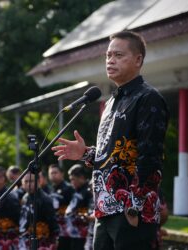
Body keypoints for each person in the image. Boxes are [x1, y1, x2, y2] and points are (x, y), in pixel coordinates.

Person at [52, 31, 169, 250]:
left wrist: (133, 207)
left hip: (130, 211)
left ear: (138, 60)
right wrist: (85, 153)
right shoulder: (111, 102)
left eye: (118, 55)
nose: (110, 60)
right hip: (104, 209)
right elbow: (113, 155)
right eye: (107, 55)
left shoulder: (148, 98)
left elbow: (150, 158)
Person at [19, 172, 59, 249]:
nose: (28, 184)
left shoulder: (45, 199)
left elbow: (53, 223)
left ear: (39, 181)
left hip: (42, 241)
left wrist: (54, 240)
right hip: (25, 239)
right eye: (26, 181)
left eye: (31, 181)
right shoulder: (25, 197)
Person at [64, 164, 92, 249]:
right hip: (73, 233)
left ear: (81, 177)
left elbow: (91, 211)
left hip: (84, 234)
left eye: (73, 179)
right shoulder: (76, 190)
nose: (71, 182)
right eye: (70, 180)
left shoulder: (89, 190)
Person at [48, 164, 75, 249]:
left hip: (67, 228)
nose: (53, 175)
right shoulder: (51, 189)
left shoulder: (69, 188)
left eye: (55, 172)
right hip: (55, 227)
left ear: (62, 174)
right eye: (51, 173)